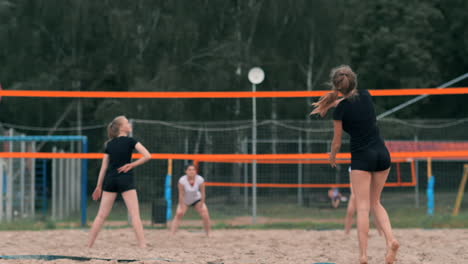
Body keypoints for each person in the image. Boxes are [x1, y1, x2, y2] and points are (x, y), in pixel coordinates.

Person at [311, 65, 399, 264]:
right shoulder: (366, 95)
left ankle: (363, 256)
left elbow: (337, 141)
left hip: (362, 158)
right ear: (354, 82)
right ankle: (391, 240)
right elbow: (352, 100)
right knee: (376, 203)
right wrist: (334, 101)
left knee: (362, 207)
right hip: (382, 154)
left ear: (335, 87)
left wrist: (332, 156)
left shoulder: (340, 111)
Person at [87, 116, 151, 248]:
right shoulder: (131, 141)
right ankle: (143, 244)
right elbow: (148, 156)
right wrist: (131, 165)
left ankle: (89, 245)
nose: (130, 124)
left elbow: (104, 167)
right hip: (125, 178)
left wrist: (99, 186)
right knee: (134, 214)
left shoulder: (109, 144)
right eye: (127, 122)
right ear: (122, 127)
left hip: (110, 180)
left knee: (101, 216)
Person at [170, 164, 211, 236]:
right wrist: (181, 205)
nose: (192, 171)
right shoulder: (182, 180)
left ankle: (208, 233)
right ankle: (172, 234)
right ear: (185, 171)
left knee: (205, 214)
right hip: (185, 200)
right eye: (189, 170)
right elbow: (181, 194)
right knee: (179, 213)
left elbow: (203, 193)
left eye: (193, 170)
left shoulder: (200, 179)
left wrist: (202, 203)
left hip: (196, 199)